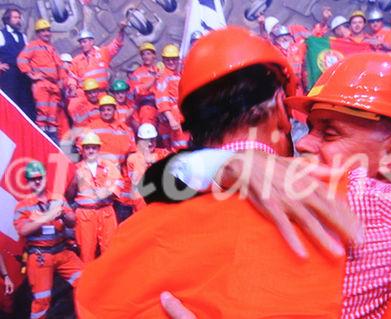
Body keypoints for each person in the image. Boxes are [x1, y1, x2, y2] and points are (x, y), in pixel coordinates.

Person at [154, 53, 391, 318]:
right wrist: (226, 164)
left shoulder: (386, 216)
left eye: (330, 132)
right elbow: (159, 181)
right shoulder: (282, 179)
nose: (304, 143)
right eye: (311, 127)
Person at [74, 26, 360, 319]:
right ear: (278, 105)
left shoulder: (132, 239)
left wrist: (217, 164)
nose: (304, 141)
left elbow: (92, 301)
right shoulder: (355, 202)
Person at [13, 161, 83, 319]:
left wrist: (64, 215)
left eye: (40, 177)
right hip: (40, 257)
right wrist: (47, 217)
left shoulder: (58, 198)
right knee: (41, 300)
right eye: (33, 179)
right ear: (28, 181)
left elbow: (72, 221)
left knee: (86, 283)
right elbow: (23, 230)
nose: (37, 181)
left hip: (63, 252)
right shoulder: (23, 206)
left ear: (45, 177)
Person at [68, 132, 122, 263]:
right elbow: (69, 194)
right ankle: (89, 282)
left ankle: (110, 281)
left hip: (106, 212)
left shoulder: (108, 165)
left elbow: (118, 182)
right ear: (82, 150)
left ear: (99, 149)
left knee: (110, 251)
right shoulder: (76, 169)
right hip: (85, 215)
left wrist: (106, 192)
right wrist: (74, 181)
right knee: (86, 252)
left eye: (94, 147)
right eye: (87, 148)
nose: (91, 150)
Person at [17, 19, 67, 142]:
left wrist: (62, 81)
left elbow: (59, 66)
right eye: (43, 31)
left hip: (54, 86)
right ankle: (41, 140)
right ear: (38, 33)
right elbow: (21, 60)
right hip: (42, 84)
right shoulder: (33, 46)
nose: (46, 33)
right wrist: (31, 74)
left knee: (52, 117)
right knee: (42, 114)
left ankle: (52, 141)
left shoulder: (52, 48)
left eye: (48, 31)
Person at [70, 23, 126, 93]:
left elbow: (117, 44)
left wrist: (121, 30)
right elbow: (72, 77)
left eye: (84, 42)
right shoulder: (76, 60)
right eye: (81, 43)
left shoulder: (103, 53)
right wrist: (73, 86)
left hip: (101, 94)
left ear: (91, 42)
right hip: (85, 95)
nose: (82, 45)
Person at [0, 7, 35, 120]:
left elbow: (28, 54)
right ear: (7, 19)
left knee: (26, 104)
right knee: (11, 104)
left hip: (23, 75)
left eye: (19, 17)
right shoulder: (1, 34)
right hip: (8, 75)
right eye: (15, 17)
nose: (18, 20)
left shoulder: (23, 36)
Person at [126, 123, 169, 211]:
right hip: (142, 203)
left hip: (161, 203)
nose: (149, 143)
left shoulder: (163, 154)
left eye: (152, 140)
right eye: (146, 140)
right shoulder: (133, 158)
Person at [154, 44, 188, 151]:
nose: (171, 62)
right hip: (175, 117)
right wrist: (171, 119)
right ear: (164, 60)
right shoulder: (164, 77)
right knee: (179, 146)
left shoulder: (177, 75)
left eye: (174, 59)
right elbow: (162, 101)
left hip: (183, 115)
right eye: (168, 60)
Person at [130, 42, 160, 125]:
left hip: (161, 107)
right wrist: (153, 80)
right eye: (143, 54)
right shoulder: (136, 73)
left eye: (148, 54)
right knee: (148, 131)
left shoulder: (159, 70)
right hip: (147, 107)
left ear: (154, 55)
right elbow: (136, 91)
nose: (146, 56)